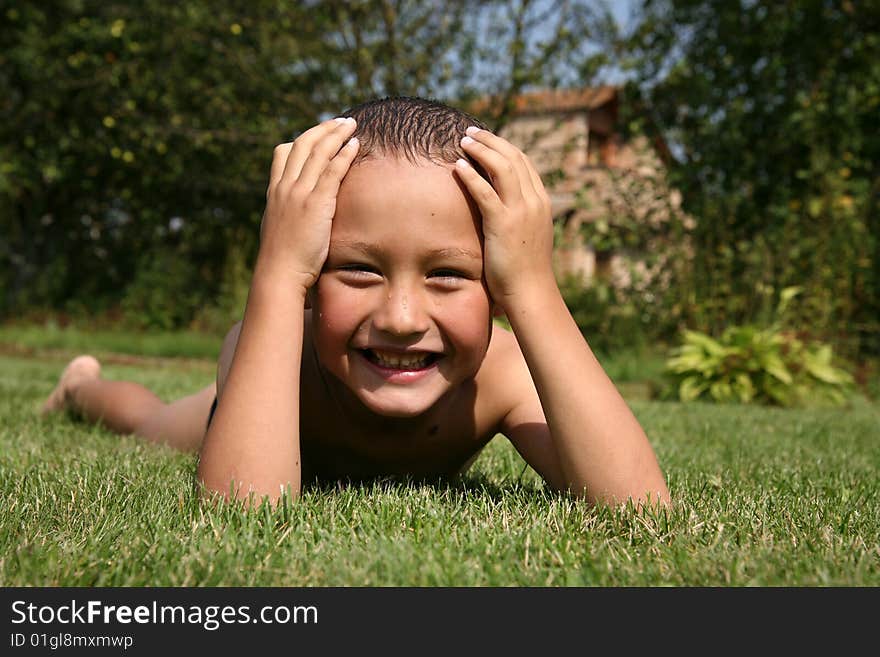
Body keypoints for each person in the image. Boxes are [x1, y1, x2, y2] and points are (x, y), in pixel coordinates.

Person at [42, 97, 670, 508]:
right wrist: (278, 271)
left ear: (498, 284)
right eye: (359, 270)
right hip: (240, 412)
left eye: (449, 275)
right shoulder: (269, 348)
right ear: (311, 279)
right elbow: (242, 511)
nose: (401, 319)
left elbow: (637, 509)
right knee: (150, 423)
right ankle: (80, 386)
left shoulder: (502, 376)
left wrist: (534, 287)